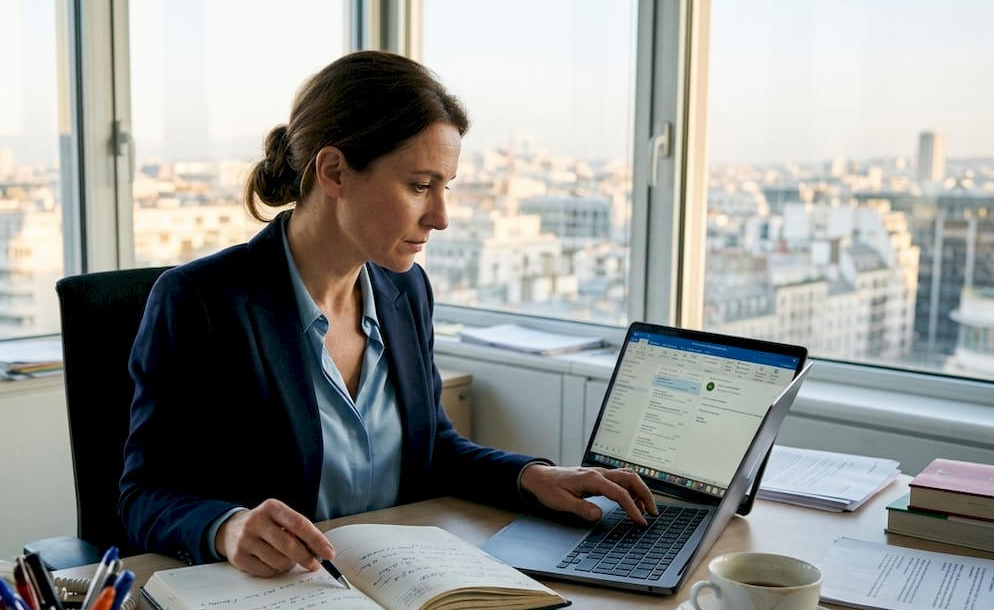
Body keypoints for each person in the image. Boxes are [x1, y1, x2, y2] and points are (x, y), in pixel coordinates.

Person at [120, 50, 656, 577]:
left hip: (396, 588)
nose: (440, 217)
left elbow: (432, 447)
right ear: (334, 171)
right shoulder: (200, 302)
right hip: (273, 599)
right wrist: (228, 527)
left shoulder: (405, 290)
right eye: (420, 186)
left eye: (445, 188)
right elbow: (144, 496)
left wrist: (532, 477)